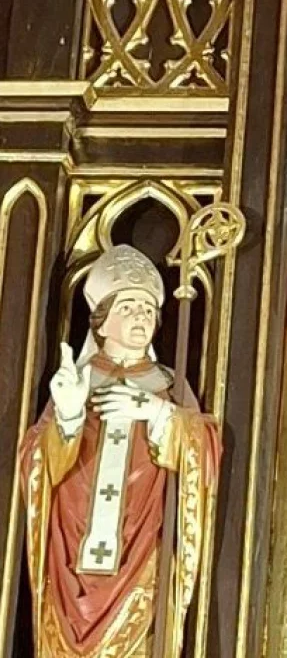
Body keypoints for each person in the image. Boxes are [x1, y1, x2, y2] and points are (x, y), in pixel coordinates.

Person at [20, 245, 220, 657]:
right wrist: (69, 416)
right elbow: (36, 464)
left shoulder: (167, 385)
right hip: (71, 553)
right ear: (101, 321)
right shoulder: (76, 381)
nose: (141, 317)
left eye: (148, 309)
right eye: (128, 307)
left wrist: (159, 413)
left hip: (140, 551)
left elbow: (204, 452)